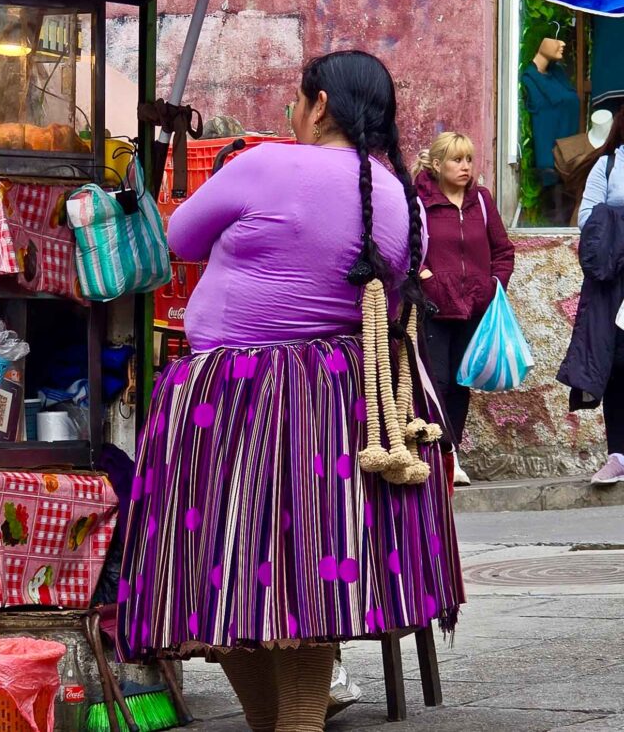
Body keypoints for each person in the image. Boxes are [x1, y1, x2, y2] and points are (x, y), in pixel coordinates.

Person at [118, 51, 464, 732]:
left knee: (215, 575)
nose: (289, 114)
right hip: (337, 401)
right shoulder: (400, 199)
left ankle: (290, 726)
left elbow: (177, 238)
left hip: (231, 396)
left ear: (321, 103)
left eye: (296, 102)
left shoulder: (264, 165)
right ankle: (290, 727)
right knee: (310, 579)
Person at [414, 133, 515, 487]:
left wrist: (493, 286)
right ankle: (437, 453)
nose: (465, 167)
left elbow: (503, 251)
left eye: (469, 160)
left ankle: (451, 453)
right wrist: (426, 279)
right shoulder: (419, 202)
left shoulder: (482, 201)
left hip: (474, 308)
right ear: (437, 164)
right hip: (434, 309)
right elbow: (407, 250)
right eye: (457, 160)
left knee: (460, 383)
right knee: (435, 382)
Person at [562, 107, 624, 484]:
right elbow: (587, 218)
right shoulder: (608, 164)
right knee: (617, 365)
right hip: (614, 281)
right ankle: (618, 454)